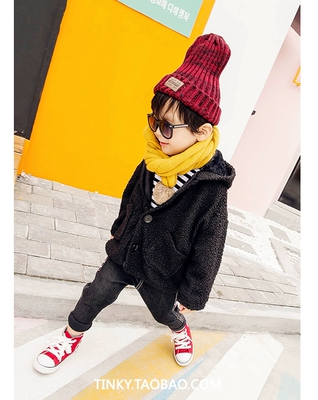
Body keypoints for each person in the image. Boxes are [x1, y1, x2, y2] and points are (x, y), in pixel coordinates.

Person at [33, 33, 235, 374]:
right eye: (154, 121)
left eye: (168, 127)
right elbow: (132, 196)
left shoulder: (211, 187)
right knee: (95, 293)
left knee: (163, 312)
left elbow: (211, 243)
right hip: (127, 251)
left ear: (201, 132)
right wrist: (120, 232)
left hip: (165, 267)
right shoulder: (154, 158)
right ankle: (70, 335)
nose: (157, 133)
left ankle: (179, 330)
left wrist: (193, 293)